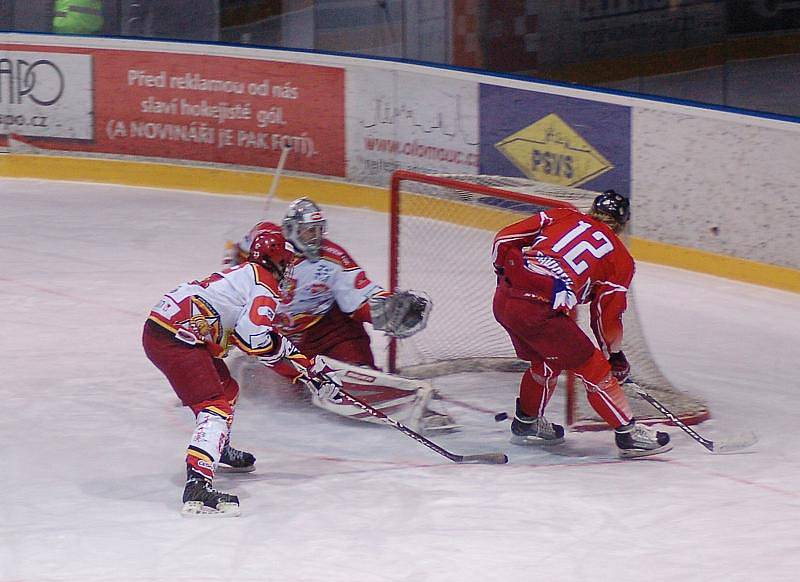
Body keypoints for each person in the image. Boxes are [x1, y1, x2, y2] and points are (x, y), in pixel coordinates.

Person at [143, 228, 343, 516]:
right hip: (176, 338)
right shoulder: (265, 283)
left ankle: (217, 447)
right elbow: (255, 339)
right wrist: (305, 371)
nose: (287, 271)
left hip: (166, 330)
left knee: (227, 389)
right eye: (286, 263)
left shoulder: (246, 276)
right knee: (215, 407)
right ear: (275, 261)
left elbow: (255, 338)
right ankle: (198, 486)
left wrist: (305, 369)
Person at [224, 198, 456, 432]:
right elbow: (235, 256)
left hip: (328, 329)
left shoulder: (331, 258)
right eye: (308, 231)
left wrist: (388, 309)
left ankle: (407, 399)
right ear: (291, 229)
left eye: (318, 231)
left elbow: (360, 290)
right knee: (275, 390)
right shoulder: (268, 243)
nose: (315, 237)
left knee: (353, 373)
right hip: (281, 334)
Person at [492, 190, 672, 458]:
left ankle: (527, 423)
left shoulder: (562, 215)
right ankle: (628, 434)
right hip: (539, 311)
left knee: (546, 361)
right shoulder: (620, 259)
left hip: (504, 299)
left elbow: (504, 238)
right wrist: (614, 356)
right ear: (622, 224)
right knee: (595, 370)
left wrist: (504, 272)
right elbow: (605, 315)